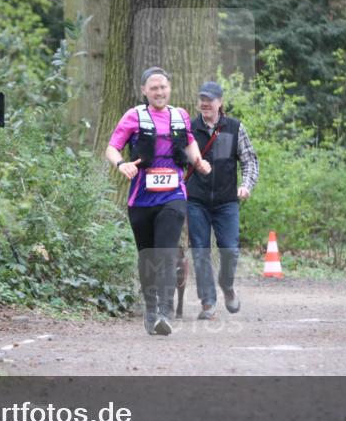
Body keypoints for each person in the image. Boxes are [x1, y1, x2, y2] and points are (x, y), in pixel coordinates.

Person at [105, 67, 211, 336]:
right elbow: (112, 147)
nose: (159, 92)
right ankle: (150, 309)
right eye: (154, 88)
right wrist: (121, 164)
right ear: (144, 91)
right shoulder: (133, 116)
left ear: (169, 88)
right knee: (147, 256)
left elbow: (188, 143)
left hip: (173, 194)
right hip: (141, 197)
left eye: (163, 87)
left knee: (165, 252)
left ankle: (165, 313)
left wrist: (198, 161)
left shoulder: (180, 116)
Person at [185, 81, 259, 320]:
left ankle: (226, 285)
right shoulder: (189, 129)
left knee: (230, 250)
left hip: (227, 201)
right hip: (196, 200)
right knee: (200, 251)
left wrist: (246, 186)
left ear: (220, 103)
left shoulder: (235, 128)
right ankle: (208, 302)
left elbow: (249, 161)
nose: (205, 103)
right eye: (202, 98)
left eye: (210, 99)